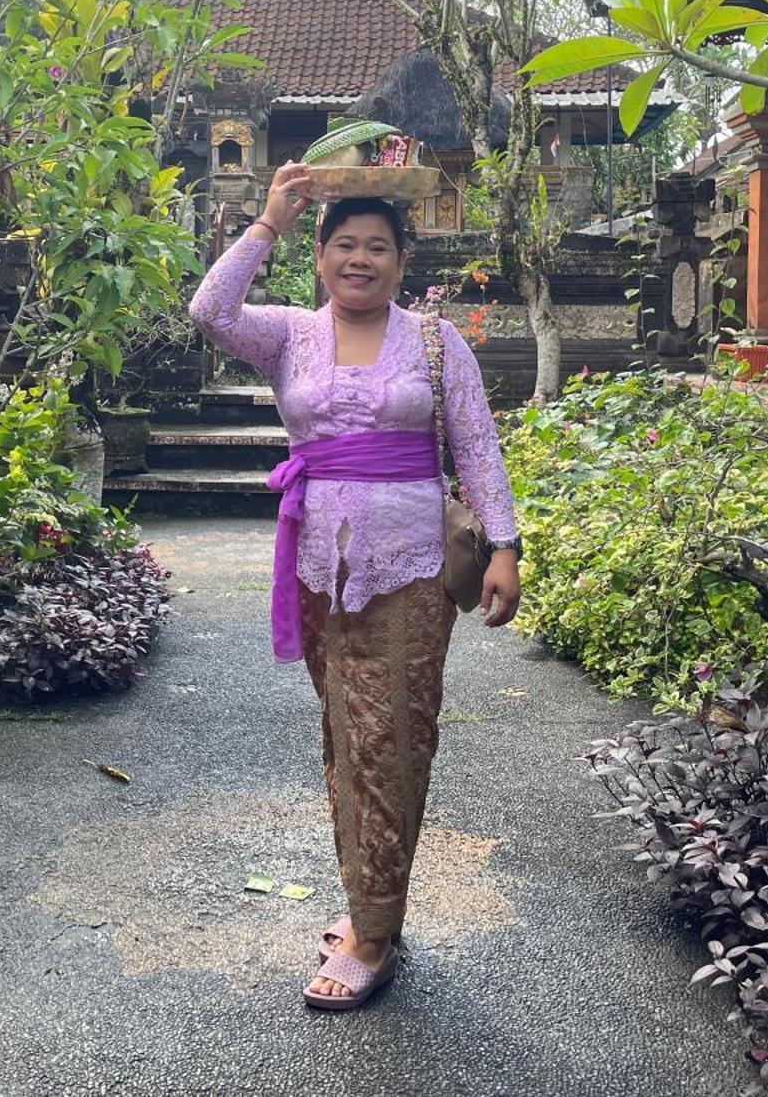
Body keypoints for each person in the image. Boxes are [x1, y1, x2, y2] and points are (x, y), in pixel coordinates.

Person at [189, 159, 522, 1012]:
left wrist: (505, 549)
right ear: (323, 258)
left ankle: (374, 932)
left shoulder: (439, 343)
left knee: (394, 739)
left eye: (378, 246)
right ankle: (372, 898)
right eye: (344, 245)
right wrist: (269, 221)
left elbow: (478, 448)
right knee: (344, 736)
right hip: (317, 569)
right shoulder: (290, 333)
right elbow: (209, 311)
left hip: (409, 569)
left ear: (403, 263)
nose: (360, 259)